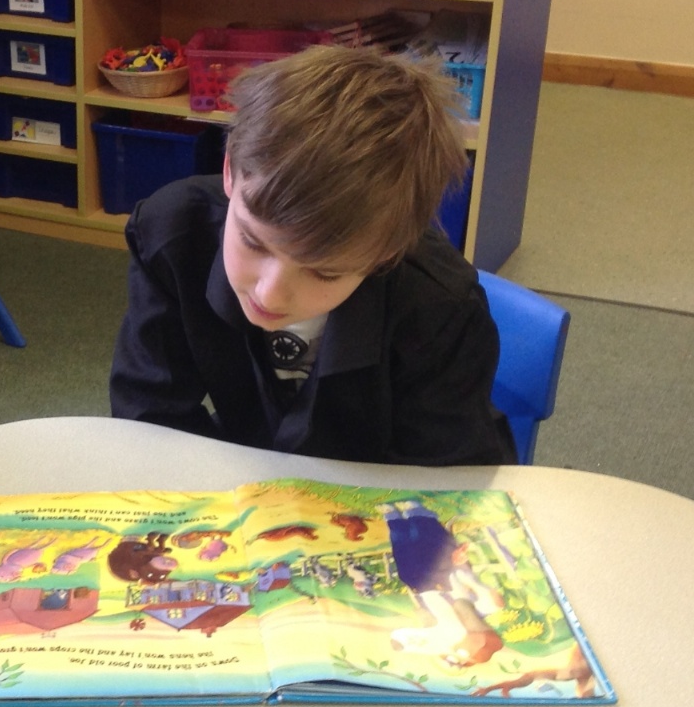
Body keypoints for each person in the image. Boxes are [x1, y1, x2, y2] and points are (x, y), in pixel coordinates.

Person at [110, 44, 516, 466]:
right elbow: (150, 418)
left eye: (323, 273)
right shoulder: (172, 235)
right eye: (252, 242)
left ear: (386, 253)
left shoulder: (441, 309)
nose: (269, 295)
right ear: (230, 169)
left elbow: (446, 481)